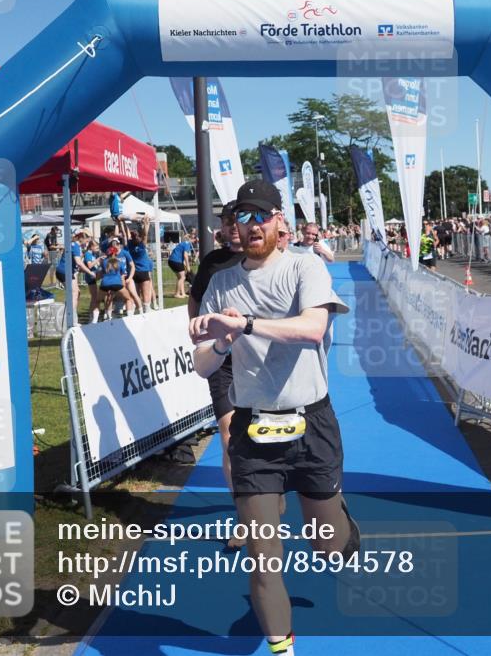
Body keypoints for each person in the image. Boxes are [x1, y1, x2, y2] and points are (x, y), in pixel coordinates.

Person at [189, 180, 357, 655]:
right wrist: (220, 341)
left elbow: (312, 329)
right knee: (264, 558)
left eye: (261, 216)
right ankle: (282, 647)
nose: (253, 226)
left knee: (329, 548)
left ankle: (341, 521)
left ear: (280, 221)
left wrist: (244, 325)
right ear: (234, 227)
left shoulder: (305, 267)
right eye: (243, 218)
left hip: (312, 423)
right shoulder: (221, 281)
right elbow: (202, 363)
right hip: (252, 431)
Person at [187, 201, 254, 548]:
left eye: (236, 221)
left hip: (258, 359)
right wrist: (200, 333)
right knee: (229, 436)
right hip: (223, 358)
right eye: (226, 222)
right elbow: (195, 301)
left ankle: (269, 491)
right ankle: (244, 514)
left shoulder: (261, 258)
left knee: (264, 434)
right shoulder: (212, 262)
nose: (231, 227)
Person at [128, 216, 154, 313]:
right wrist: (146, 223)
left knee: (136, 293)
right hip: (143, 271)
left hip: (134, 272)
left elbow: (139, 235)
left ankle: (136, 309)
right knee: (146, 293)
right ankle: (146, 309)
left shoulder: (129, 244)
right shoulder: (142, 245)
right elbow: (145, 235)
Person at [98, 248, 132, 319]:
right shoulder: (119, 262)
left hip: (105, 284)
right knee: (128, 299)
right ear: (115, 253)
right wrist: (123, 286)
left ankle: (107, 317)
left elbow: (101, 273)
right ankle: (130, 317)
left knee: (99, 301)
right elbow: (123, 275)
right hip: (117, 283)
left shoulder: (104, 262)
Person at [168, 233, 193, 298]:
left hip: (172, 260)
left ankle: (183, 293)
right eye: (194, 239)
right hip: (175, 261)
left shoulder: (183, 243)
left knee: (181, 277)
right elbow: (185, 255)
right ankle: (177, 294)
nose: (194, 240)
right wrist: (188, 266)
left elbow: (181, 255)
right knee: (183, 277)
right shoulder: (187, 244)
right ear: (190, 239)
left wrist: (185, 265)